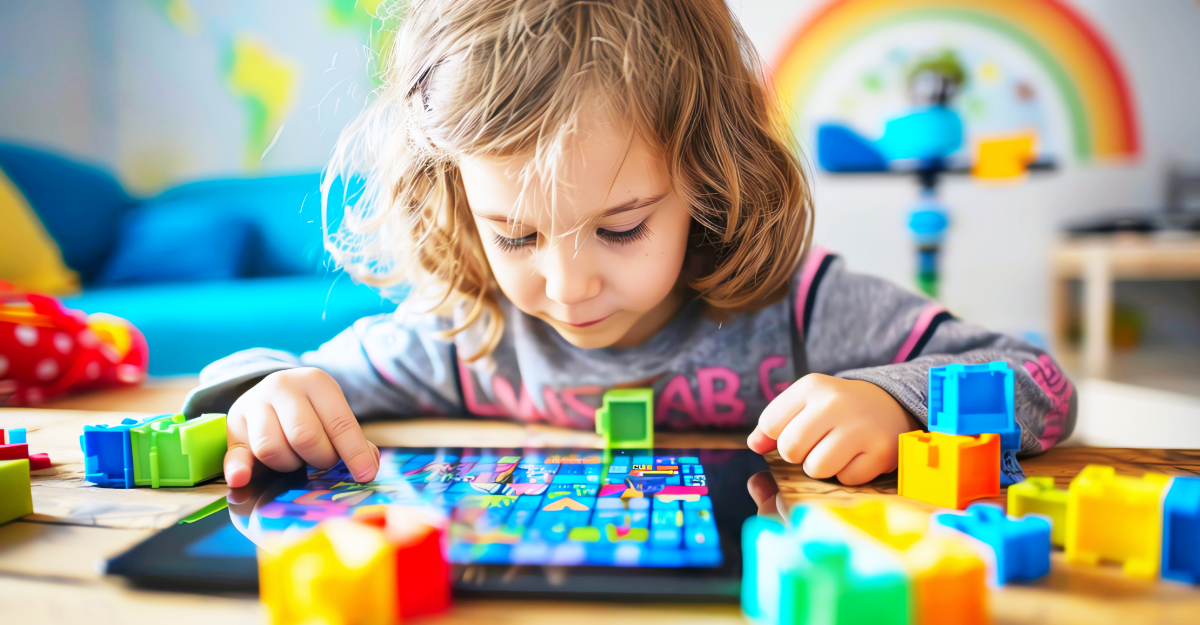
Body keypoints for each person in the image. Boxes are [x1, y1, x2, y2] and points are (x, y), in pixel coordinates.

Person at [183, 0, 1076, 490]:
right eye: (517, 233)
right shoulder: (468, 336)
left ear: (710, 178)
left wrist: (898, 403)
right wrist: (270, 392)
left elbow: (1039, 382)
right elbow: (303, 382)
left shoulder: (803, 308)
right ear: (459, 200)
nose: (568, 285)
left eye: (620, 227)